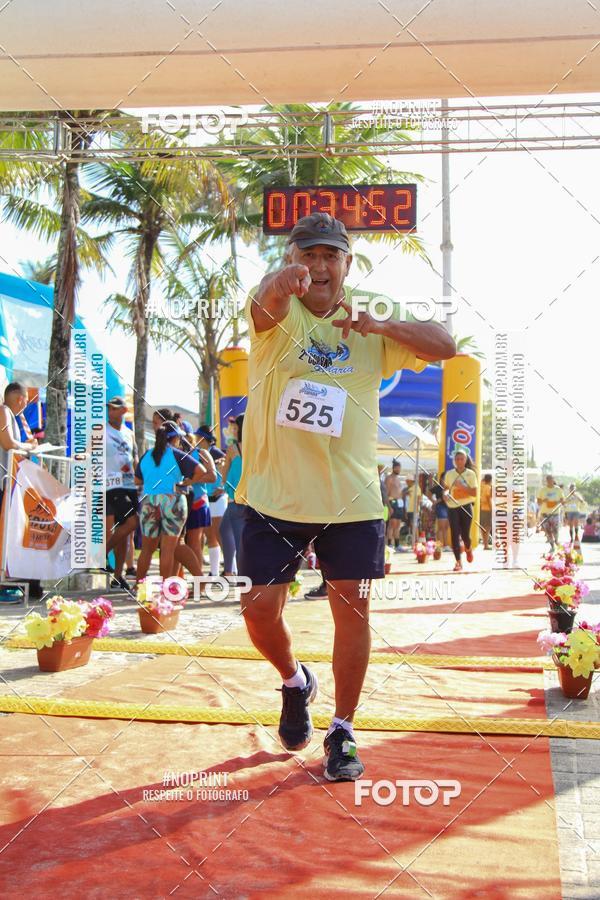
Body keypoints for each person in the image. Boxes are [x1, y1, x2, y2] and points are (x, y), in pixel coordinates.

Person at [235, 211, 455, 781]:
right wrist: (277, 282)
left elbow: (445, 344)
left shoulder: (368, 314)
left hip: (351, 500)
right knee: (258, 609)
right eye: (307, 255)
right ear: (292, 260)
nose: (318, 265)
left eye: (329, 255)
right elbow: (264, 305)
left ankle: (343, 729)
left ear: (347, 264)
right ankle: (294, 681)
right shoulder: (278, 309)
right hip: (274, 494)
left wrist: (382, 325)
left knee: (353, 611)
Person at [134, 422, 215, 581]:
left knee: (147, 550)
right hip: (173, 500)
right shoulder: (177, 454)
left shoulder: (147, 455)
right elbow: (201, 471)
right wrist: (187, 482)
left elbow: (137, 480)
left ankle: (138, 585)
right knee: (168, 549)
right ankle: (166, 589)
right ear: (175, 438)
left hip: (150, 502)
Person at [0, 382, 41, 600]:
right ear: (20, 398)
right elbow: (8, 443)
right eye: (26, 401)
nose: (25, 406)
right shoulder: (3, 411)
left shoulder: (8, 414)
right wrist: (29, 447)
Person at [104, 397, 138, 591]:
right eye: (109, 408)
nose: (111, 412)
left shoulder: (129, 433)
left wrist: (139, 480)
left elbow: (135, 457)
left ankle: (118, 576)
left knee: (126, 531)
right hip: (112, 484)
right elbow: (89, 454)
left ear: (124, 410)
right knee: (132, 522)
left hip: (130, 484)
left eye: (115, 409)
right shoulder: (101, 430)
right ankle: (102, 554)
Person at [195, 426, 227, 576]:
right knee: (211, 536)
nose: (196, 439)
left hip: (218, 498)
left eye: (198, 437)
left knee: (220, 535)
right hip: (207, 498)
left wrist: (224, 488)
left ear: (204, 438)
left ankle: (231, 569)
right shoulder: (199, 453)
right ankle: (214, 572)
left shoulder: (216, 452)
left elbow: (229, 468)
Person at [444, 448, 478, 572]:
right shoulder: (449, 474)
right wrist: (445, 494)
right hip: (452, 506)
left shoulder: (471, 474)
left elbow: (474, 493)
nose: (459, 461)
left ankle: (468, 548)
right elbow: (446, 489)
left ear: (465, 460)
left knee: (465, 535)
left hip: (466, 505)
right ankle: (458, 561)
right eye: (457, 459)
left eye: (461, 459)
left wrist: (462, 487)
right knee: (454, 534)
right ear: (454, 461)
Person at [220, 415, 245, 576]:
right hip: (253, 499)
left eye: (235, 428)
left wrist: (223, 466)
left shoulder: (232, 449)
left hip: (235, 499)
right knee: (224, 529)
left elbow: (224, 477)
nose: (233, 431)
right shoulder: (257, 447)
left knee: (239, 539)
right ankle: (229, 570)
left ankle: (242, 576)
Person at [537, 475, 564, 551]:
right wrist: (543, 500)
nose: (549, 481)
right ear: (546, 481)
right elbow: (538, 502)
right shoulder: (542, 490)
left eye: (551, 479)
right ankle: (552, 546)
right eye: (548, 480)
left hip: (555, 513)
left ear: (553, 480)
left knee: (555, 530)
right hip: (545, 513)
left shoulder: (558, 489)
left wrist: (558, 502)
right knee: (548, 531)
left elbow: (562, 500)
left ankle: (556, 541)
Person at [384, 460, 405, 549]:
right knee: (392, 524)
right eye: (398, 468)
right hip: (392, 502)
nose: (399, 470)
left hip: (399, 503)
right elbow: (386, 493)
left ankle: (397, 544)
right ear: (394, 468)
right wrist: (389, 506)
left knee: (398, 525)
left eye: (400, 468)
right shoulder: (389, 478)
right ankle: (389, 544)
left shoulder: (397, 479)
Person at [430, 473, 450, 550]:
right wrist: (434, 501)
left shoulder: (448, 487)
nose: (445, 480)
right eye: (444, 478)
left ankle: (446, 545)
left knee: (446, 527)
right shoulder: (438, 487)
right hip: (441, 507)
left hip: (448, 507)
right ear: (441, 479)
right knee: (441, 528)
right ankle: (440, 546)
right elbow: (428, 493)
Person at [480, 473, 493, 550]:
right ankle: (486, 545)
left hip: (482, 508)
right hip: (487, 509)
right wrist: (492, 508)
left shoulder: (482, 486)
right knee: (487, 528)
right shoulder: (488, 487)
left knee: (483, 528)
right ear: (490, 480)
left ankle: (485, 544)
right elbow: (488, 498)